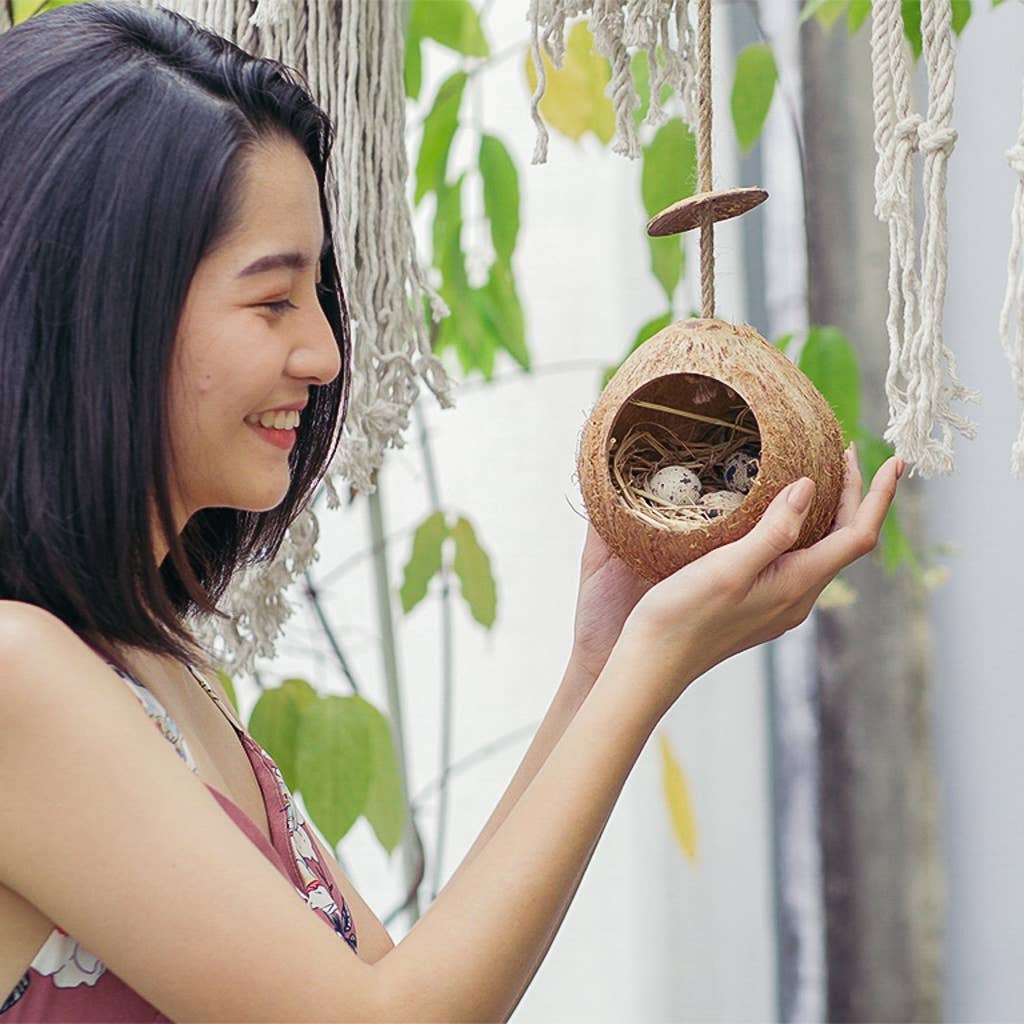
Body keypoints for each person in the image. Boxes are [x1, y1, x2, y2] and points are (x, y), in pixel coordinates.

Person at [0, 1, 903, 1021]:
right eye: (271, 300)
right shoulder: (16, 675)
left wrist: (597, 668)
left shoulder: (145, 663)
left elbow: (401, 987)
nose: (326, 354)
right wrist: (648, 668)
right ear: (101, 308)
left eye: (317, 294)